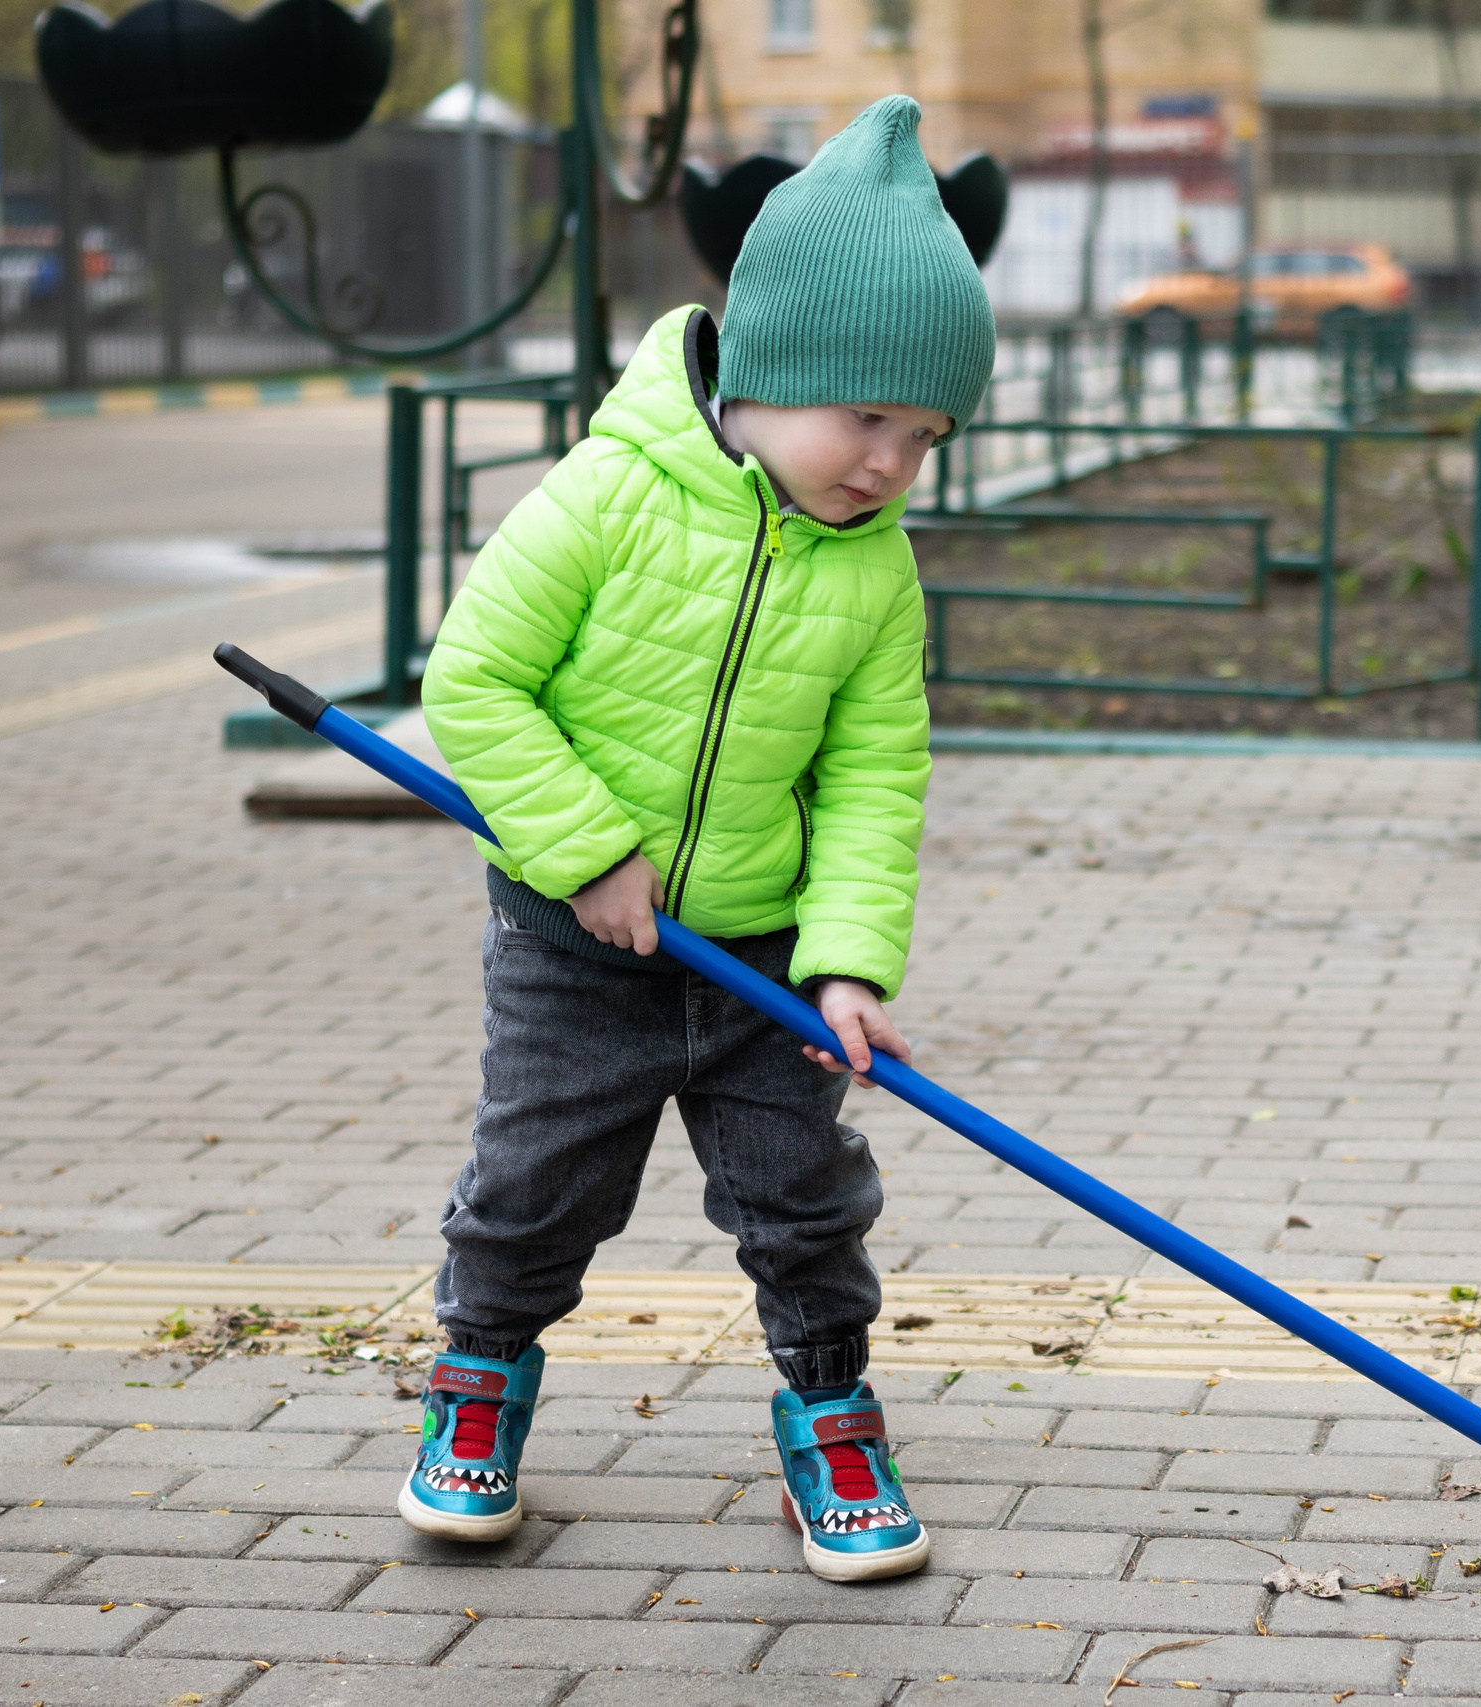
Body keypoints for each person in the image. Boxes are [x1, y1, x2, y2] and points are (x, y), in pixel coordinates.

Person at [405, 94, 992, 1583]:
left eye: (925, 439)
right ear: (779, 367)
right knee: (535, 1188)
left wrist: (851, 963)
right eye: (870, 421)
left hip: (761, 954)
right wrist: (586, 852)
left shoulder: (876, 572)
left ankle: (831, 1416)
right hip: (575, 949)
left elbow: (874, 773)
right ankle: (478, 1389)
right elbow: (472, 681)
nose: (890, 467)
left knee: (808, 1206)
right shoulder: (607, 494)